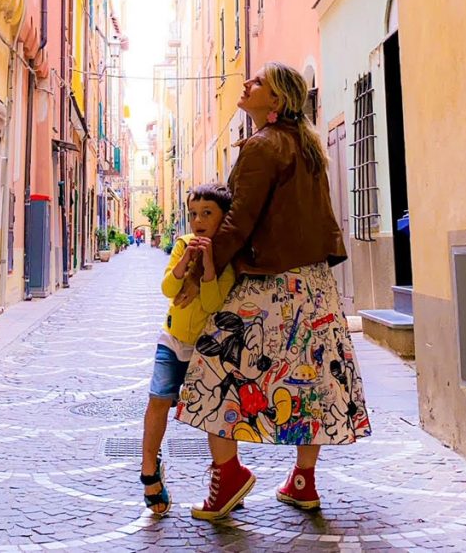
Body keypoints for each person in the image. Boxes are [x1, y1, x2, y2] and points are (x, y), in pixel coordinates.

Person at [176, 62, 371, 521]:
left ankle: (230, 476)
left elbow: (238, 219)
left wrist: (201, 270)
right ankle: (303, 481)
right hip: (316, 285)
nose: (247, 84)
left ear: (277, 101)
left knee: (209, 372)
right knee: (312, 380)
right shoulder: (308, 147)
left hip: (273, 285)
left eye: (258, 82)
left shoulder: (262, 147)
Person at [140, 183, 237, 516]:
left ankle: (226, 479)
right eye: (193, 214)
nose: (198, 220)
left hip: (205, 349)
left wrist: (208, 264)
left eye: (207, 213)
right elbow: (168, 287)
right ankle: (149, 468)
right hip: (171, 339)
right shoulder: (181, 244)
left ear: (224, 218)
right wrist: (185, 263)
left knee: (215, 413)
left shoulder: (226, 260)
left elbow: (212, 302)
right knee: (158, 398)